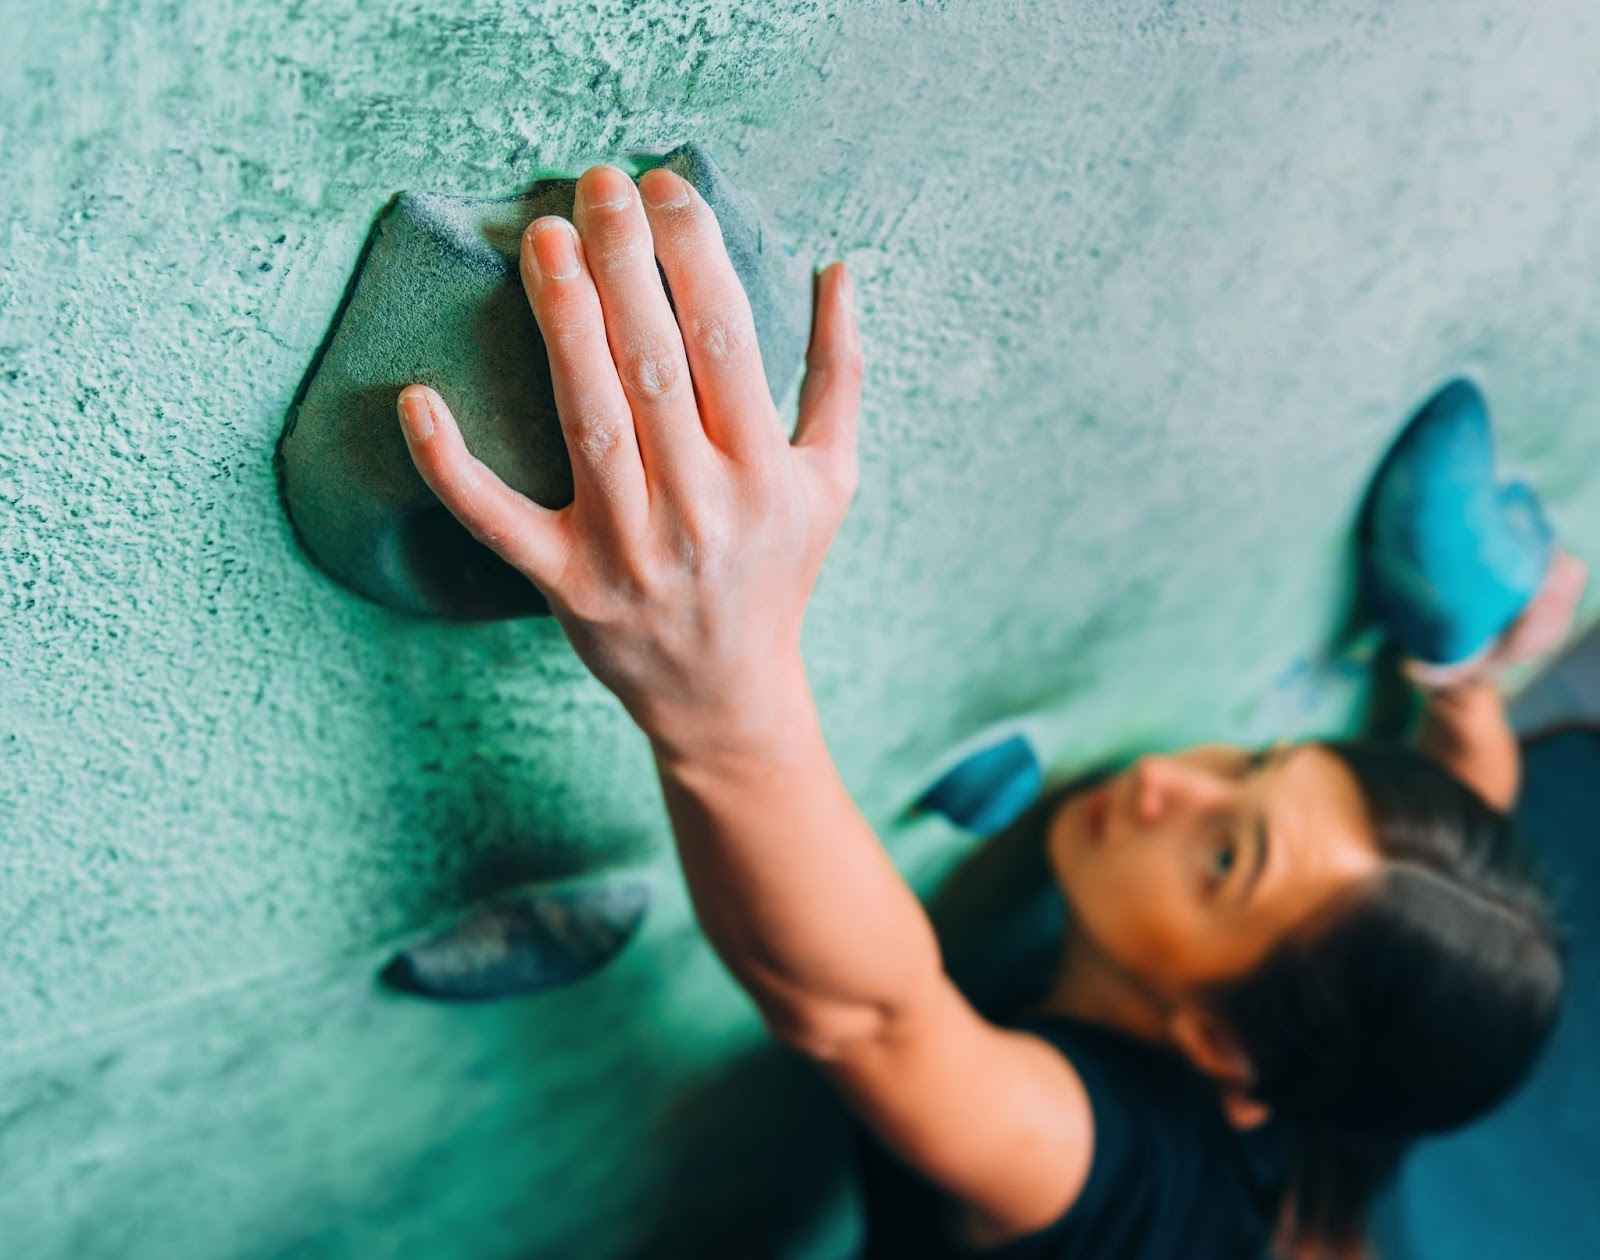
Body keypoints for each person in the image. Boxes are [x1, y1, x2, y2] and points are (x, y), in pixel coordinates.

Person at [394, 163, 1574, 1259]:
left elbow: (872, 1019)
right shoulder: (1350, 1019)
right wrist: (1468, 660)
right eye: (1256, 765)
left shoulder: (1078, 1165)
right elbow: (1471, 800)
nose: (1174, 779)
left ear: (1219, 1048)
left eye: (1225, 854)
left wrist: (720, 688)